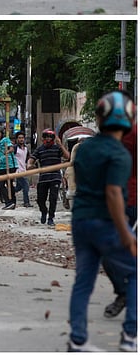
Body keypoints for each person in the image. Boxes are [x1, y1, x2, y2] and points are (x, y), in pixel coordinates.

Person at [66, 91, 136, 352]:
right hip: (107, 223)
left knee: (83, 280)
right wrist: (126, 233)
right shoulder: (119, 154)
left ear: (99, 117)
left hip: (81, 221)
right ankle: (131, 335)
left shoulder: (84, 149)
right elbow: (113, 193)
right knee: (135, 273)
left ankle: (77, 339)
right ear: (128, 120)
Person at [28, 128, 69, 227]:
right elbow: (31, 160)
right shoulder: (39, 149)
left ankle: (51, 218)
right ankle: (44, 211)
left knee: (53, 198)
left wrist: (60, 145)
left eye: (50, 137)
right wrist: (29, 165)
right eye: (46, 137)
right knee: (41, 199)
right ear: (43, 138)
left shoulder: (57, 148)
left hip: (55, 177)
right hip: (43, 177)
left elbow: (67, 156)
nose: (48, 139)